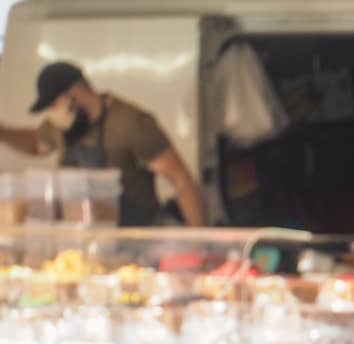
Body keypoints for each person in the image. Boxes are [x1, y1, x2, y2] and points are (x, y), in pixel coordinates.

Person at [0, 61, 205, 226]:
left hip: (133, 238)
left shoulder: (131, 124)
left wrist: (198, 244)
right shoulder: (63, 126)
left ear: (76, 93)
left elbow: (181, 181)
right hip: (80, 237)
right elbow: (37, 144)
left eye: (54, 104)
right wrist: (2, 133)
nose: (53, 113)